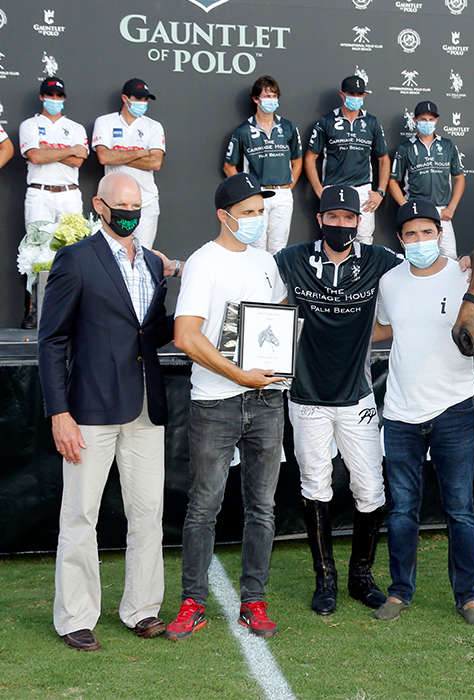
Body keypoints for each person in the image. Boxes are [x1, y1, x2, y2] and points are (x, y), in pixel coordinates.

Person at [38, 172, 174, 651]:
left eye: (136, 206)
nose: (129, 214)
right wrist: (60, 412)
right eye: (121, 206)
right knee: (80, 514)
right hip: (89, 411)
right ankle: (76, 616)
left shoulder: (153, 266)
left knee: (147, 513)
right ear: (99, 205)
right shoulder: (75, 260)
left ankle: (142, 609)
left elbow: (150, 331)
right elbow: (51, 340)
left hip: (144, 408)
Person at [372, 200, 474, 625]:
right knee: (402, 509)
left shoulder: (464, 276)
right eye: (411, 234)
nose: (420, 241)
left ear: (440, 234)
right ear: (399, 240)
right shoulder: (389, 281)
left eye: (427, 232)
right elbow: (386, 328)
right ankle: (400, 592)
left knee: (460, 508)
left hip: (455, 409)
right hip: (400, 412)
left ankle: (467, 596)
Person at [165, 173, 287, 641]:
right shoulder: (203, 263)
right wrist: (239, 375)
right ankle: (193, 601)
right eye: (249, 212)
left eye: (261, 211)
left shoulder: (268, 263)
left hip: (267, 399)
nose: (257, 219)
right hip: (216, 402)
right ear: (224, 216)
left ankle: (253, 600)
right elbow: (186, 337)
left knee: (262, 507)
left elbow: (276, 324)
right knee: (204, 507)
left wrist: (272, 369)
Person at [272, 185, 402, 616]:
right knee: (315, 485)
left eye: (350, 218)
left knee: (370, 488)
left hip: (356, 397)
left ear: (359, 222)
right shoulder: (290, 259)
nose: (342, 225)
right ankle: (324, 577)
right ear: (320, 219)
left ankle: (360, 576)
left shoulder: (380, 261)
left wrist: (461, 264)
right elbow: (254, 287)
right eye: (334, 217)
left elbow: (424, 277)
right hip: (306, 396)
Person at [18, 76, 89, 329]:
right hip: (40, 192)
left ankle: (72, 308)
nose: (55, 100)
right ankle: (33, 310)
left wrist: (54, 152)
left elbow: (79, 161)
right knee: (35, 253)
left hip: (69, 193)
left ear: (65, 98)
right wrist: (68, 150)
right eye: (50, 95)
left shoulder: (77, 128)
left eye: (59, 96)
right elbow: (35, 155)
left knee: (74, 252)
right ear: (41, 97)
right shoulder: (29, 125)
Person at [304, 74, 389, 245]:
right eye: (351, 94)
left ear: (364, 96)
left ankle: (362, 273)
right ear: (342, 94)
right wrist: (320, 190)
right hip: (334, 187)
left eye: (359, 94)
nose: (355, 98)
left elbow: (383, 159)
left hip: (363, 190)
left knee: (364, 241)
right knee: (334, 239)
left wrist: (380, 192)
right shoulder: (326, 121)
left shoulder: (372, 122)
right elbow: (310, 159)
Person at [224, 75, 302, 254]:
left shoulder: (288, 127)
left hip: (283, 195)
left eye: (274, 96)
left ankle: (275, 282)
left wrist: (289, 186)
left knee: (279, 248)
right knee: (256, 247)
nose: (271, 100)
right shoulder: (243, 130)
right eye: (267, 96)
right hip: (256, 195)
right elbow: (229, 166)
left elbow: (297, 161)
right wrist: (246, 191)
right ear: (255, 99)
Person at [92, 78, 165, 248]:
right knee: (112, 252)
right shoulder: (105, 122)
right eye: (138, 98)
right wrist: (140, 152)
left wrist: (119, 154)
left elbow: (155, 162)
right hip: (113, 202)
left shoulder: (154, 126)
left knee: (143, 252)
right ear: (125, 98)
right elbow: (104, 157)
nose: (143, 103)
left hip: (145, 200)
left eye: (145, 99)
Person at [388, 100, 465, 259]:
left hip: (441, 212)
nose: (427, 123)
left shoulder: (447, 145)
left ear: (436, 120)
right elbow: (393, 182)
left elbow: (459, 178)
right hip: (417, 211)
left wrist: (451, 208)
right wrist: (406, 206)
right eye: (423, 119)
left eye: (431, 119)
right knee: (418, 258)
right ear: (415, 120)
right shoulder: (406, 148)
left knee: (449, 257)